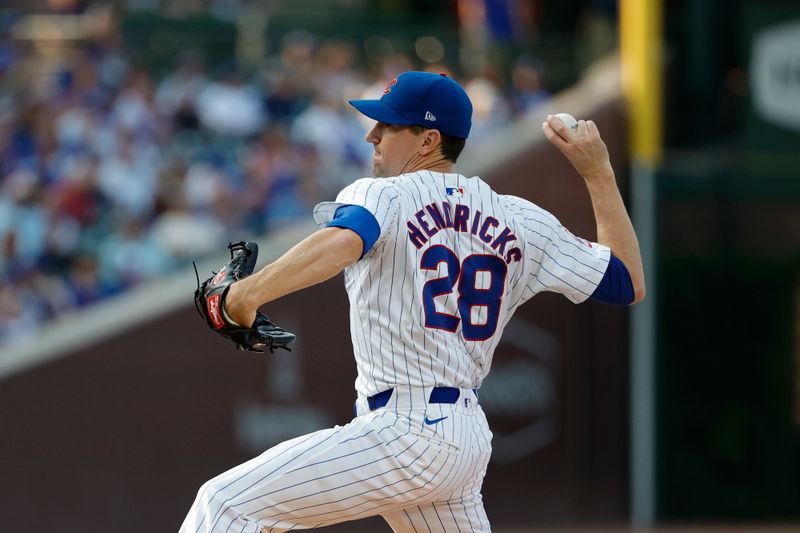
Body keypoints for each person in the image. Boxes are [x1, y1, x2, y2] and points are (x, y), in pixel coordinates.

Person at [180, 71, 645, 532]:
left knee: (224, 505)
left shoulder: (383, 194)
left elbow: (346, 240)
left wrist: (244, 294)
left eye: (388, 125)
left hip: (404, 430)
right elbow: (626, 281)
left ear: (428, 139)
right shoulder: (521, 219)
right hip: (461, 440)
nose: (372, 135)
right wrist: (598, 171)